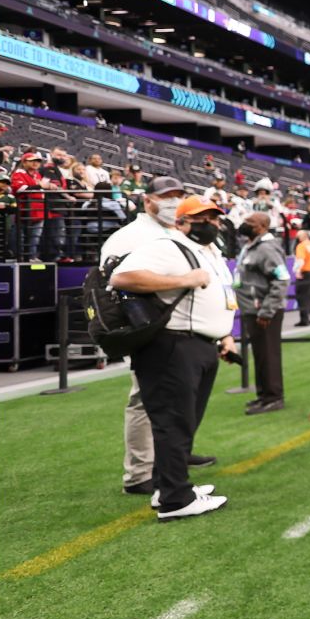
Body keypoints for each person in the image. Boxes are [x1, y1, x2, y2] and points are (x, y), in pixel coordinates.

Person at [110, 195, 236, 520]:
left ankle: (168, 486)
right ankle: (175, 499)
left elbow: (219, 295)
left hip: (199, 344)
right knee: (173, 423)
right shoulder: (168, 245)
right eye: (203, 218)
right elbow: (121, 278)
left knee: (185, 421)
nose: (212, 223)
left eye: (215, 217)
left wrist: (223, 334)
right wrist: (183, 280)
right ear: (181, 222)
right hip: (174, 344)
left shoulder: (207, 251)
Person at [234, 212, 289, 414]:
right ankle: (263, 395)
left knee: (268, 354)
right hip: (253, 310)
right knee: (260, 355)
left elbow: (282, 279)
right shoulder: (252, 246)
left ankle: (274, 397)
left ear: (263, 226)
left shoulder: (267, 249)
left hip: (264, 312)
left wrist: (267, 311)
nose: (245, 225)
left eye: (251, 223)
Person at [10, 152, 60, 261]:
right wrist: (40, 185)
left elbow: (40, 188)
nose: (35, 163)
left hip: (38, 210)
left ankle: (31, 257)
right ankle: (19, 257)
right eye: (32, 161)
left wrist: (48, 186)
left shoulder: (37, 174)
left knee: (35, 237)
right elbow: (19, 188)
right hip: (24, 211)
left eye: (37, 161)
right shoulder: (18, 173)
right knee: (20, 236)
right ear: (24, 162)